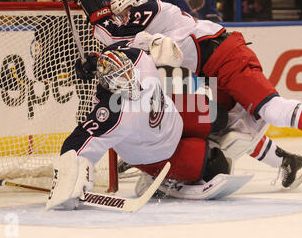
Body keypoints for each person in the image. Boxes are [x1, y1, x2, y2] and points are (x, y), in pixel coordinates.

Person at [77, 0, 302, 179]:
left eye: (124, 12)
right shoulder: (142, 27)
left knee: (271, 109)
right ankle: (287, 163)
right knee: (228, 128)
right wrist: (96, 59)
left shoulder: (152, 8)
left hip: (226, 56)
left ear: (136, 2)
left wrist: (98, 16)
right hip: (207, 72)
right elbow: (123, 47)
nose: (123, 18)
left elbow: (118, 35)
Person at [46, 42, 242, 210]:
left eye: (127, 72)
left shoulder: (140, 59)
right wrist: (67, 182)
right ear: (108, 84)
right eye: (119, 79)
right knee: (218, 166)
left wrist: (96, 59)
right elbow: (79, 141)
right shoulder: (110, 113)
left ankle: (202, 137)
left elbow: (121, 45)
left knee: (220, 115)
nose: (128, 80)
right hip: (158, 154)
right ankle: (156, 178)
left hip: (174, 113)